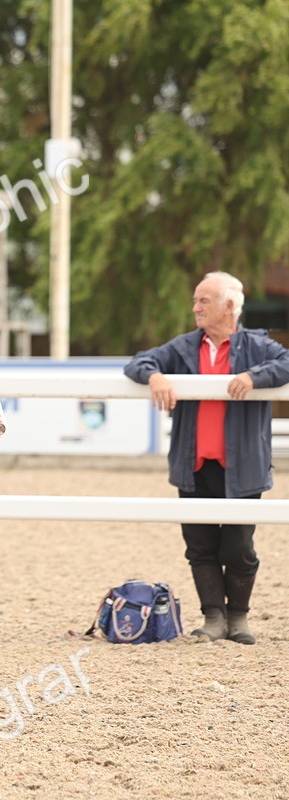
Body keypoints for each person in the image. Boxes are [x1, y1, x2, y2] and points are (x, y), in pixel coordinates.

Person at [124, 271, 289, 645]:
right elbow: (137, 362)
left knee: (239, 548)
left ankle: (238, 618)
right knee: (200, 546)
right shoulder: (183, 347)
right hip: (194, 466)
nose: (195, 307)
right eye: (196, 300)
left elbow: (286, 364)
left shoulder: (258, 347)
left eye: (204, 301)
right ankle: (213, 618)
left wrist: (255, 376)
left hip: (242, 469)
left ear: (230, 306)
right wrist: (155, 377)